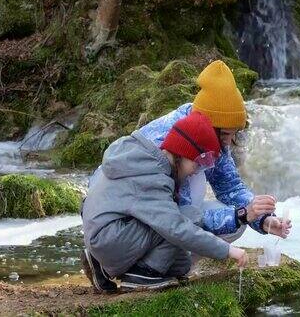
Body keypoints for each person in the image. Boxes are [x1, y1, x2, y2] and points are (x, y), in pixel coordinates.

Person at [80, 112, 249, 293]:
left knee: (181, 266)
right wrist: (228, 250)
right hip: (108, 238)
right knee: (190, 216)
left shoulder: (143, 158)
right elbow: (175, 227)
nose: (196, 171)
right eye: (199, 163)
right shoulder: (153, 177)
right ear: (184, 152)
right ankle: (143, 275)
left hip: (103, 234)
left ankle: (101, 265)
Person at [138, 60, 291, 243]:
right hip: (134, 227)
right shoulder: (169, 143)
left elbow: (230, 187)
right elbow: (178, 220)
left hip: (169, 219)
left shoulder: (210, 132)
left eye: (234, 134)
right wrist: (241, 215)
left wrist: (263, 218)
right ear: (210, 125)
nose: (227, 141)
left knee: (237, 221)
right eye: (225, 134)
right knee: (235, 218)